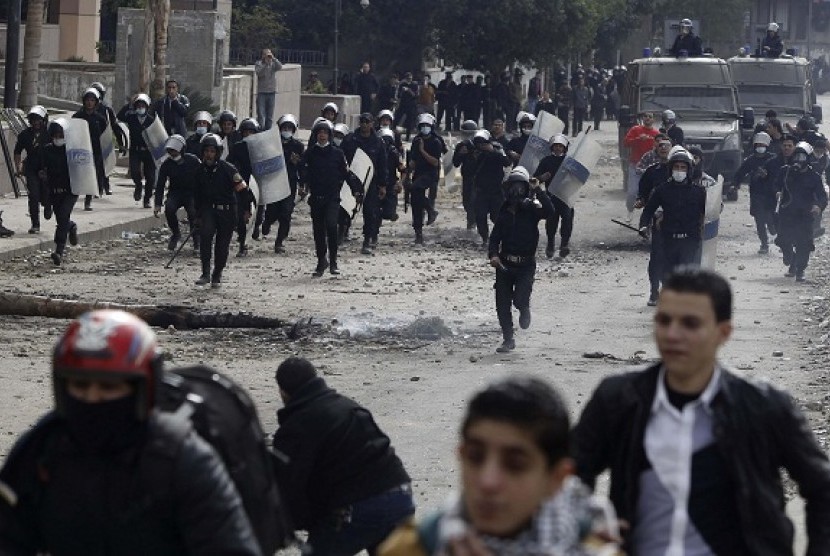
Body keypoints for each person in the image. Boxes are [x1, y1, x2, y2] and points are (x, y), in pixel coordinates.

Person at [573, 267, 830, 555]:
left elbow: (822, 487)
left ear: (724, 332)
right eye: (664, 320)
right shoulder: (619, 399)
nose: (672, 334)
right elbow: (566, 475)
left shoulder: (764, 407)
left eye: (690, 324)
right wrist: (585, 534)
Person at [0, 309, 262, 555]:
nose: (93, 398)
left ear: (142, 390)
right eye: (80, 385)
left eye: (109, 387)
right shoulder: (42, 450)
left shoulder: (183, 460)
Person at [380, 376, 620, 556]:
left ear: (556, 478)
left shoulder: (596, 548)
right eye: (475, 457)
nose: (488, 482)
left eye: (515, 465)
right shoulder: (413, 547)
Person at [271, 357, 414, 555]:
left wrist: (300, 524)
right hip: (400, 495)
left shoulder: (294, 428)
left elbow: (290, 491)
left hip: (356, 508)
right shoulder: (348, 406)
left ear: (283, 391)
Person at [488, 167, 555, 353]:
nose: (516, 191)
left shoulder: (531, 210)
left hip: (525, 264)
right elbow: (494, 239)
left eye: (520, 187)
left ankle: (524, 309)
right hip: (504, 265)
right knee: (502, 304)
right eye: (513, 187)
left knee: (519, 300)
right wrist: (493, 255)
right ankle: (508, 339)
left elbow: (550, 211)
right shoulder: (503, 213)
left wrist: (539, 190)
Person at [639, 148, 706, 277]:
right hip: (668, 240)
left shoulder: (698, 192)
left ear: (689, 170)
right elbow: (649, 210)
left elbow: (709, 212)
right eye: (676, 167)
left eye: (683, 168)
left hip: (690, 240)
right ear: (671, 169)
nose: (679, 171)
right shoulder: (662, 190)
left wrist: (716, 207)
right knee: (668, 275)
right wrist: (643, 225)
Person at [194, 133, 247, 288]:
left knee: (222, 246)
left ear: (217, 152)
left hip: (227, 212)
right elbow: (196, 195)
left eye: (212, 151)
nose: (209, 155)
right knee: (205, 238)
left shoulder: (228, 169)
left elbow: (243, 191)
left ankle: (217, 273)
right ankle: (205, 273)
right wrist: (197, 215)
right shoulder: (199, 171)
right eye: (206, 151)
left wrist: (245, 211)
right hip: (208, 211)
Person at [299, 119, 351, 276]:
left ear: (329, 135)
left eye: (325, 133)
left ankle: (333, 261)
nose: (322, 136)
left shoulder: (337, 153)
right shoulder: (309, 153)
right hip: (316, 198)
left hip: (332, 197)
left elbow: (346, 173)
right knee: (318, 231)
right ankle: (322, 260)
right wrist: (303, 187)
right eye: (319, 133)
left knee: (331, 225)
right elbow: (303, 173)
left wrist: (356, 190)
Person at [775, 141, 828, 281]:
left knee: (804, 244)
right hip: (787, 213)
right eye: (796, 156)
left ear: (808, 158)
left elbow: (822, 196)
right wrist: (777, 192)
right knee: (783, 240)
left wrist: (818, 206)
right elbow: (775, 185)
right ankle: (791, 260)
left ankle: (800, 270)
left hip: (805, 216)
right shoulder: (785, 172)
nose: (799, 160)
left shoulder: (814, 177)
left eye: (802, 157)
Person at [342, 113, 388, 255]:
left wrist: (383, 185)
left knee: (370, 213)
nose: (364, 124)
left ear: (372, 123)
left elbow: (382, 165)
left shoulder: (378, 142)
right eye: (362, 121)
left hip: (370, 182)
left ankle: (367, 240)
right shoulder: (350, 139)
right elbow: (341, 158)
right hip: (352, 181)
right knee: (345, 210)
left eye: (367, 122)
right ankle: (341, 235)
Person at [634, 137, 673, 305]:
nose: (663, 148)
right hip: (658, 220)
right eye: (661, 145)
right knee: (657, 257)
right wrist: (641, 201)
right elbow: (643, 194)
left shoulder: (682, 170)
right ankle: (654, 290)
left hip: (679, 220)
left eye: (667, 145)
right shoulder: (652, 171)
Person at [39, 120, 79, 266]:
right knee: (61, 220)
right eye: (56, 135)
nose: (58, 137)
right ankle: (71, 226)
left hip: (70, 190)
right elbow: (41, 168)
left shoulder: (72, 150)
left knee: (62, 217)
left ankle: (59, 251)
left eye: (61, 134)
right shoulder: (46, 150)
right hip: (54, 191)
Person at [262, 114, 304, 254]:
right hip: (274, 182)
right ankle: (267, 222)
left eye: (289, 128)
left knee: (286, 213)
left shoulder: (298, 146)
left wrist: (302, 183)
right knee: (273, 211)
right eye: (284, 127)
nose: (286, 130)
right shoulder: (272, 143)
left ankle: (279, 241)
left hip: (289, 183)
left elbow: (302, 167)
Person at [154, 134, 201, 253]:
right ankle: (175, 234)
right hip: (175, 193)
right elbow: (160, 184)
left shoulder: (193, 160)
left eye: (174, 150)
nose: (172, 152)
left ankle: (197, 241)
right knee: (169, 209)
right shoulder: (166, 164)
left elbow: (203, 177)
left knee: (193, 213)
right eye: (170, 150)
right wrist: (157, 204)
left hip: (191, 193)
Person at [734, 132, 778, 254]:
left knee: (771, 218)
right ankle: (764, 243)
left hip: (771, 194)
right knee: (759, 221)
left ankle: (774, 230)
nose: (760, 147)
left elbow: (779, 174)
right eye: (758, 144)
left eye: (762, 144)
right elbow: (740, 172)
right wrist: (735, 184)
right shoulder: (751, 160)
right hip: (756, 194)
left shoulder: (773, 159)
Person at [535, 134, 574, 259]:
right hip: (551, 196)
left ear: (565, 147)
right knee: (552, 221)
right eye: (556, 146)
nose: (558, 148)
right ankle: (550, 243)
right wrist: (542, 178)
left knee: (567, 219)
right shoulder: (546, 161)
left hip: (566, 196)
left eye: (560, 146)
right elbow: (535, 179)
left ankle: (564, 244)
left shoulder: (570, 161)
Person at [406, 114, 443, 244]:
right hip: (418, 173)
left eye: (427, 126)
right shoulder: (417, 140)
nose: (425, 128)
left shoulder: (435, 141)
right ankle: (418, 233)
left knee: (415, 188)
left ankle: (431, 209)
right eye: (422, 126)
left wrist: (422, 150)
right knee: (415, 201)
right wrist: (409, 167)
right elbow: (413, 159)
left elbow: (435, 162)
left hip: (430, 173)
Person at [226, 118, 260, 258]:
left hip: (257, 185)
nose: (248, 135)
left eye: (251, 132)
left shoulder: (261, 147)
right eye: (245, 132)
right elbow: (228, 163)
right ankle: (242, 244)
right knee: (240, 216)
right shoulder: (237, 147)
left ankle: (256, 227)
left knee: (257, 215)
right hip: (241, 186)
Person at [470, 130, 511, 247]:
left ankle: (501, 238)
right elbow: (470, 169)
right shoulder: (475, 152)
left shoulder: (497, 148)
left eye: (482, 143)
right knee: (480, 216)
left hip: (496, 190)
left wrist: (493, 151)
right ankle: (485, 238)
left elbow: (506, 162)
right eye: (478, 143)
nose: (480, 145)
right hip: (481, 190)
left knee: (497, 216)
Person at [14, 106, 50, 234]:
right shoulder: (24, 135)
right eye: (33, 120)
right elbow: (17, 152)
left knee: (46, 195)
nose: (36, 122)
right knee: (33, 196)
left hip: (47, 168)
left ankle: (48, 205)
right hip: (31, 169)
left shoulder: (50, 133)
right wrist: (18, 167)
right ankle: (35, 224)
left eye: (38, 119)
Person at [72, 88, 109, 211]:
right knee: (77, 175)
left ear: (96, 102)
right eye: (87, 100)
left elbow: (105, 135)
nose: (89, 103)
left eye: (92, 100)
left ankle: (88, 201)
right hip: (80, 150)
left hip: (95, 151)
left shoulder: (100, 119)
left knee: (91, 175)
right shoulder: (77, 117)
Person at [117, 93, 156, 208]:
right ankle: (138, 186)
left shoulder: (152, 120)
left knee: (151, 177)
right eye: (138, 105)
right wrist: (129, 104)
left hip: (149, 151)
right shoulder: (131, 118)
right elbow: (120, 116)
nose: (140, 108)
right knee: (135, 172)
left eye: (143, 105)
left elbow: (159, 135)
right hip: (135, 150)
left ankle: (147, 199)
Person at [89, 81, 127, 196]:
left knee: (105, 165)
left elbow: (115, 126)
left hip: (104, 140)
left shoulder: (106, 109)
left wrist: (121, 143)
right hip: (90, 141)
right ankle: (96, 188)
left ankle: (105, 185)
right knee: (94, 166)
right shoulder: (85, 109)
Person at [623, 111, 659, 222]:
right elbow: (626, 143)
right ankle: (630, 210)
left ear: (653, 120)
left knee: (651, 194)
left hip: (650, 168)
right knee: (632, 192)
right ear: (642, 119)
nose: (647, 118)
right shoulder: (635, 130)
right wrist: (638, 139)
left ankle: (648, 218)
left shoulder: (656, 133)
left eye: (650, 116)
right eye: (645, 116)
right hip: (635, 165)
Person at [452, 120, 480, 230]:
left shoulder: (479, 144)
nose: (468, 136)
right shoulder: (461, 145)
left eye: (470, 134)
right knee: (466, 201)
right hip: (467, 176)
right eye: (466, 134)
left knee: (474, 200)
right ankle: (472, 220)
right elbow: (455, 163)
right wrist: (460, 154)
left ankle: (472, 223)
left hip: (478, 177)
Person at [254, 48, 283, 130]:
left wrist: (273, 58)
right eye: (266, 54)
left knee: (269, 116)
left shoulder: (273, 64)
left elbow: (280, 67)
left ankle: (268, 131)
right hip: (262, 92)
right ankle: (260, 130)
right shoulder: (259, 64)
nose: (268, 56)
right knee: (261, 115)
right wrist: (265, 64)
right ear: (263, 55)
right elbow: (259, 73)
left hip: (271, 92)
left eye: (269, 54)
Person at [394, 72, 419, 141]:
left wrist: (408, 90)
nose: (409, 79)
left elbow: (415, 95)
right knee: (397, 119)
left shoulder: (414, 85)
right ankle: (396, 135)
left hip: (411, 105)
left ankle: (408, 137)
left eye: (410, 78)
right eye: (408, 78)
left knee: (409, 122)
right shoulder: (402, 84)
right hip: (403, 104)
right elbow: (399, 95)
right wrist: (402, 91)